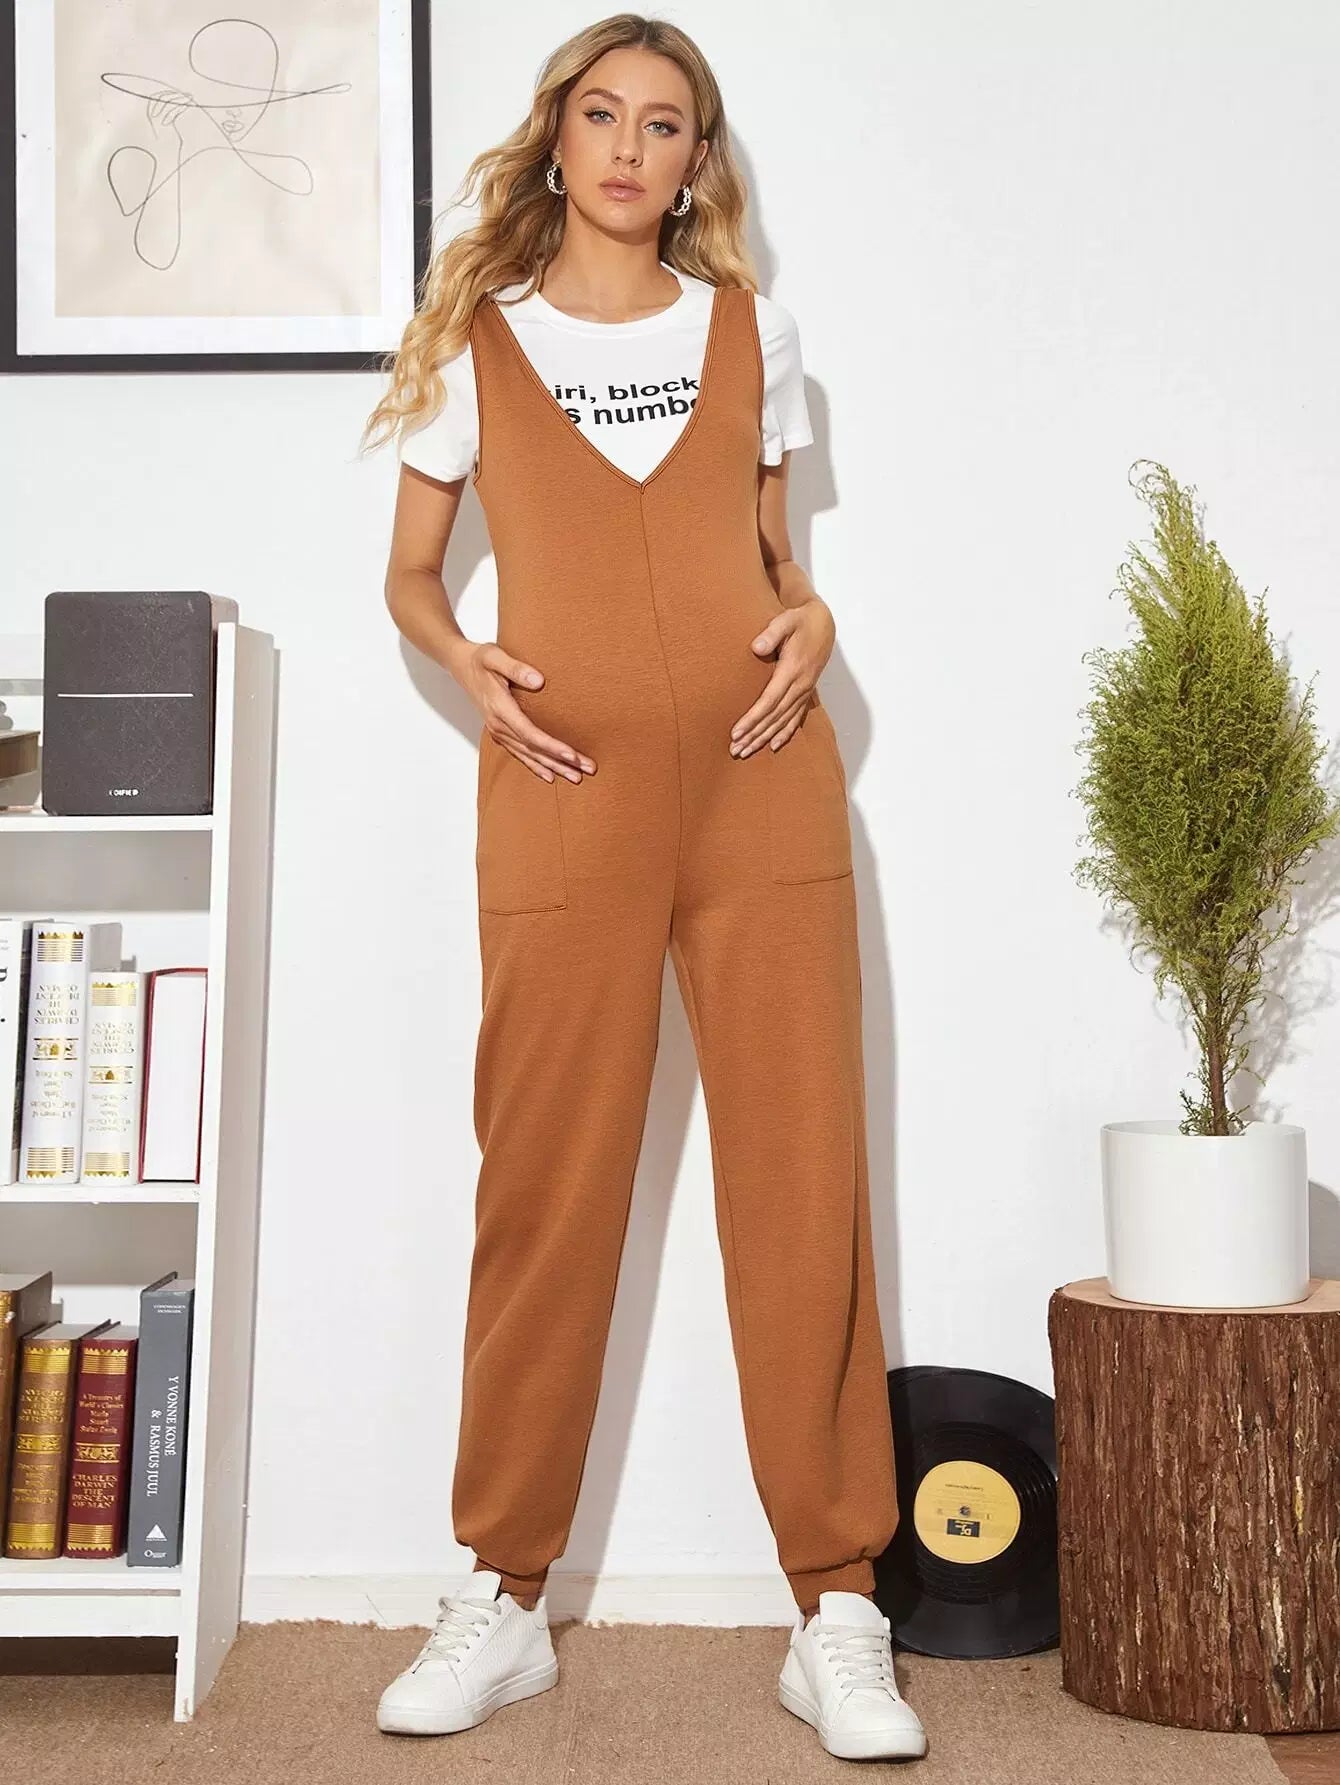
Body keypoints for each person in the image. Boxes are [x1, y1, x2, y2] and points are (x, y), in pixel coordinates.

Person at [361, 13, 927, 1766]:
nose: (625, 146)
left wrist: (816, 620)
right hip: (564, 796)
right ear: (557, 141)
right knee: (546, 1182)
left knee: (803, 1179)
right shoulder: (481, 339)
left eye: (661, 123)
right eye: (599, 114)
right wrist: (468, 660)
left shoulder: (754, 332)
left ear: (696, 162)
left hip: (765, 786)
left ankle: (837, 1603)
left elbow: (776, 568)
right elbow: (409, 574)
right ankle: (503, 1592)